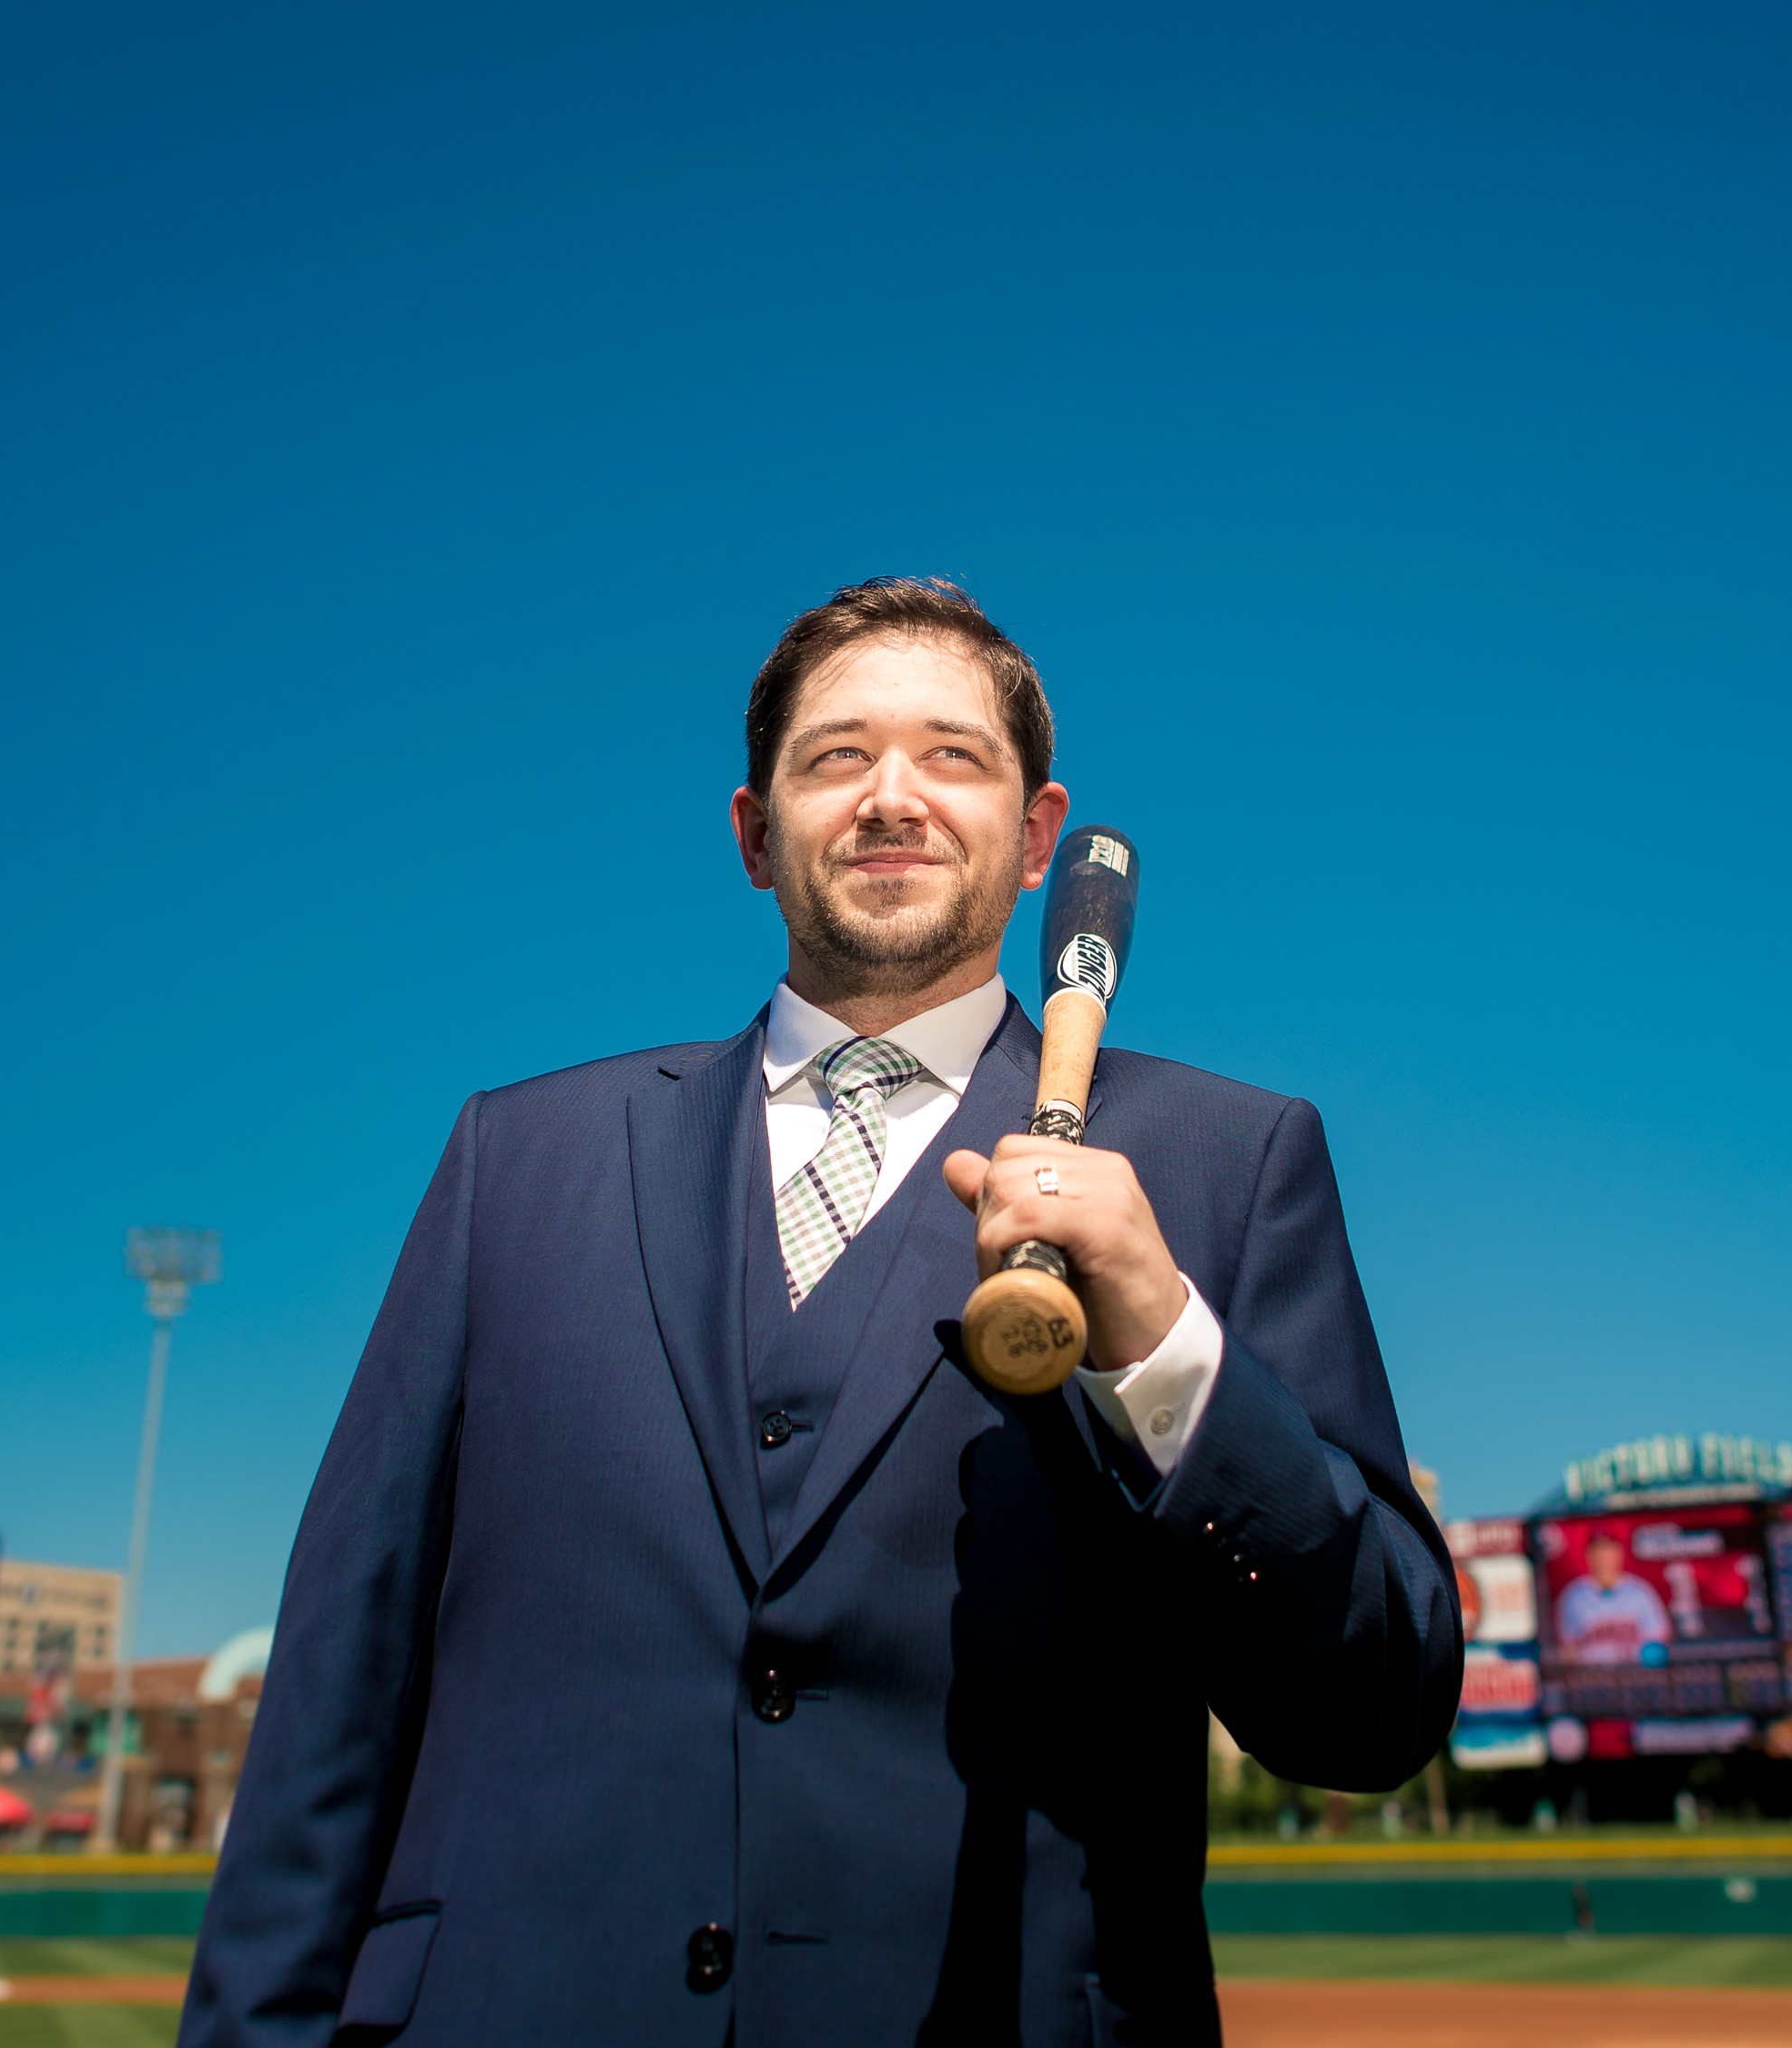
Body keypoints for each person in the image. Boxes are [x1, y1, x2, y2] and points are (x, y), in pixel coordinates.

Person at [179, 579, 1462, 2047]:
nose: (891, 798)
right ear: (753, 835)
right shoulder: (511, 1162)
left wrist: (1171, 1352)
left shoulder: (1222, 1166)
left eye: (952, 757)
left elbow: (1378, 1702)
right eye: (836, 757)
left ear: (1042, 838)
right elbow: (334, 1702)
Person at [1552, 1530, 1671, 1664]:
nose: (1603, 1557)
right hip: (1591, 1678)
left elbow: (1658, 1641)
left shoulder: (1640, 1591)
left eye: (1608, 1550)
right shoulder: (1573, 1595)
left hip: (1635, 1675)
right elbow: (1567, 1649)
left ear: (1619, 1554)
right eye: (1598, 1551)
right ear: (1588, 1555)